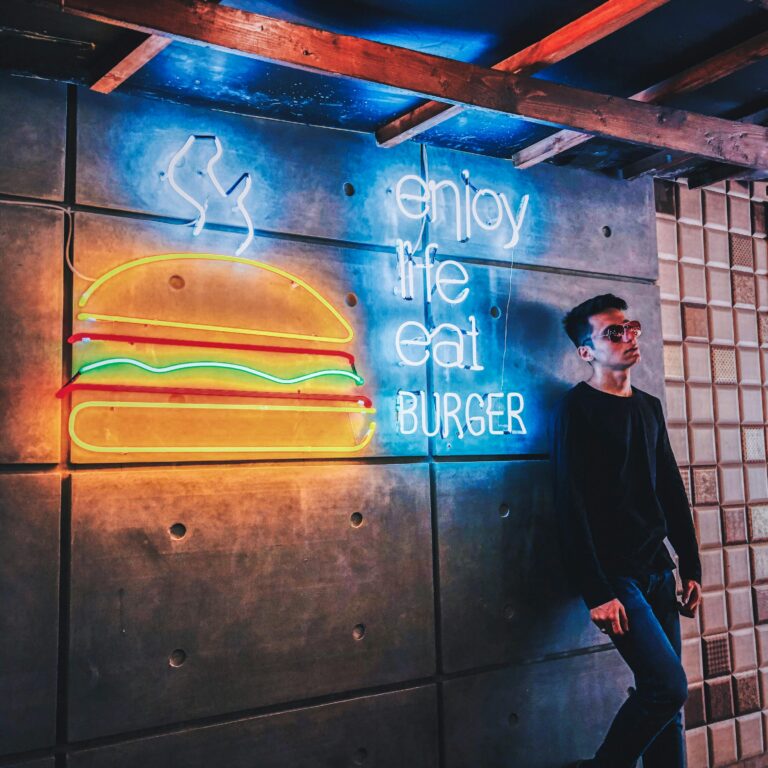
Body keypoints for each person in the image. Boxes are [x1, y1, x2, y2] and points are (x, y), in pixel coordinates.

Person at [549, 293, 702, 768]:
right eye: (613, 332)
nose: (629, 336)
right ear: (586, 351)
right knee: (667, 687)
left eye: (630, 327)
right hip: (616, 577)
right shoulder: (577, 409)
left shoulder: (649, 407)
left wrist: (691, 566)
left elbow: (671, 490)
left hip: (657, 569)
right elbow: (569, 504)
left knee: (668, 707)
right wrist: (597, 591)